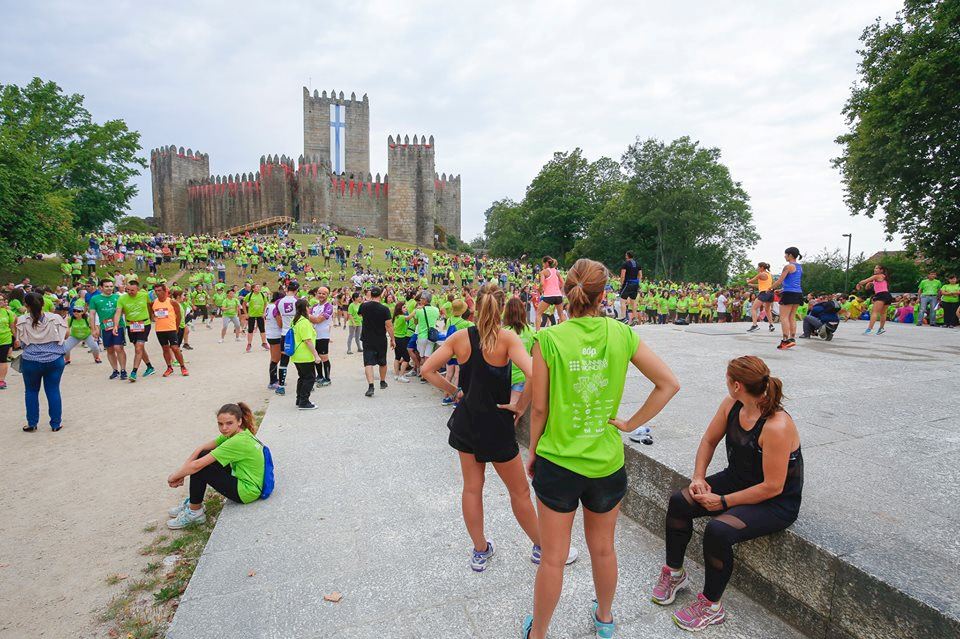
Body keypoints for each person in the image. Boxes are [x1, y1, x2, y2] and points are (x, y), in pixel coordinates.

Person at [522, 260, 679, 639]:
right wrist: (629, 422)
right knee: (604, 549)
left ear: (565, 294)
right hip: (606, 462)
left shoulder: (549, 340)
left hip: (558, 461)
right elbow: (668, 383)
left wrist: (533, 451)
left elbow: (539, 407)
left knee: (554, 559)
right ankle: (605, 619)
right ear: (603, 295)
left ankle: (539, 633)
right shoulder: (621, 334)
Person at [422, 283, 579, 576]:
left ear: (474, 306)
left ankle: (480, 550)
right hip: (497, 423)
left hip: (467, 421)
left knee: (471, 488)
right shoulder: (507, 339)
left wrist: (455, 391)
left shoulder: (459, 337)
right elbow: (535, 372)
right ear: (502, 307)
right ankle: (540, 546)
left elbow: (427, 369)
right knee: (519, 491)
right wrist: (521, 406)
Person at [651, 356, 802, 632]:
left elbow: (773, 487)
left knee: (718, 531)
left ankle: (711, 606)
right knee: (679, 502)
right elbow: (709, 440)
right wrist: (698, 477)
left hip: (776, 502)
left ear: (736, 384)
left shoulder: (777, 425)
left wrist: (722, 502)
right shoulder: (732, 404)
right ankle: (674, 574)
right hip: (738, 480)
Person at [165, 402, 266, 529]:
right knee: (203, 455)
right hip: (245, 480)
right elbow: (201, 449)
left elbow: (196, 466)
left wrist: (173, 477)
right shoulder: (238, 433)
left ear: (239, 421)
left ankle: (195, 513)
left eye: (229, 423)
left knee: (201, 468)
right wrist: (181, 473)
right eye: (220, 424)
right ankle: (193, 503)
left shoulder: (237, 441)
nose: (224, 428)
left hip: (247, 492)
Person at [15, 292, 68, 432]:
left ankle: (32, 423)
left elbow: (20, 342)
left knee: (31, 391)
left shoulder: (21, 320)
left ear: (25, 305)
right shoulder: (55, 318)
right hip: (54, 359)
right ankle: (56, 424)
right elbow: (66, 334)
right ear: (43, 303)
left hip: (31, 360)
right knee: (53, 390)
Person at [111, 279, 156, 382]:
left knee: (139, 347)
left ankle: (134, 372)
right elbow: (118, 312)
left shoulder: (144, 295)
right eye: (128, 290)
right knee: (138, 347)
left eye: (132, 290)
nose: (130, 292)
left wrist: (153, 316)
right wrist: (115, 326)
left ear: (138, 289)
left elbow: (152, 305)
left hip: (144, 324)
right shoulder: (122, 298)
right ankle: (150, 367)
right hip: (130, 325)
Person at [88, 278, 128, 379]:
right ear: (101, 287)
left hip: (119, 326)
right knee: (110, 350)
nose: (109, 288)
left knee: (118, 347)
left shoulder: (118, 297)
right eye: (106, 286)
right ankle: (115, 370)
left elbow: (124, 311)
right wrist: (93, 329)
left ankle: (123, 370)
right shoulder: (95, 299)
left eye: (111, 286)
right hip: (105, 327)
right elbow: (92, 315)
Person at [358, 287, 394, 398]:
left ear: (371, 295)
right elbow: (389, 326)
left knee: (368, 363)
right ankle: (382, 381)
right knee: (382, 361)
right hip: (380, 338)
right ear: (380, 295)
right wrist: (393, 339)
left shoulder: (364, 306)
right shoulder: (384, 309)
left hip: (367, 338)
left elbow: (360, 315)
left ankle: (371, 386)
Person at [289, 298, 321, 409]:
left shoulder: (295, 320)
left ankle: (299, 399)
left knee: (302, 377)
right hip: (305, 354)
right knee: (310, 378)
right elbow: (307, 340)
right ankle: (304, 401)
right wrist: (316, 355)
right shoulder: (305, 322)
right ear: (306, 308)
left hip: (297, 354)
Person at [769, 248, 803, 349]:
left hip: (789, 293)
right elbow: (793, 282)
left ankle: (785, 340)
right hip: (798, 293)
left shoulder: (788, 267)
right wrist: (783, 289)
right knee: (792, 316)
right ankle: (792, 338)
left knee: (783, 317)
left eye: (785, 254)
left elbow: (779, 281)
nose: (784, 256)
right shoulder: (800, 267)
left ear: (790, 255)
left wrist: (770, 288)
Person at [152, 283, 188, 377]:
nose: (157, 293)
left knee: (175, 348)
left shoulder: (172, 302)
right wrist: (154, 318)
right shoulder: (154, 302)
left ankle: (183, 367)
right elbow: (152, 313)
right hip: (159, 330)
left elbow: (179, 316)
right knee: (165, 349)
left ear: (165, 291)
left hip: (171, 329)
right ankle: (169, 367)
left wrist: (176, 327)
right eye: (156, 291)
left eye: (159, 290)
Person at [272, 282, 300, 396]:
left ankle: (281, 386)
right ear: (296, 290)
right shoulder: (298, 301)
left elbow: (276, 315)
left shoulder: (279, 302)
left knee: (284, 360)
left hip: (284, 333)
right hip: (296, 333)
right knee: (300, 359)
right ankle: (304, 382)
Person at [856, 265, 894, 335]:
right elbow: (870, 285)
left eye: (876, 268)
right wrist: (869, 283)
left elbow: (864, 281)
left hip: (881, 295)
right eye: (874, 268)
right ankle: (881, 328)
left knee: (874, 312)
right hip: (888, 295)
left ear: (881, 270)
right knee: (883, 313)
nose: (874, 269)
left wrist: (859, 284)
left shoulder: (877, 276)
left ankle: (869, 330)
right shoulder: (883, 277)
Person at [310, 287, 334, 387]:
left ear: (327, 295)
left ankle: (327, 378)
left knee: (324, 357)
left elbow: (318, 320)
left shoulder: (329, 306)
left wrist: (309, 315)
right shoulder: (314, 306)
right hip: (313, 335)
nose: (321, 295)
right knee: (316, 357)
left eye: (323, 294)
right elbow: (311, 318)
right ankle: (319, 376)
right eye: (319, 293)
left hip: (323, 335)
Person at [535, 257, 566, 331]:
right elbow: (563, 283)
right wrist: (558, 288)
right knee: (561, 315)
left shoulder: (544, 272)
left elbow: (542, 283)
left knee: (538, 313)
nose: (542, 265)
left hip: (549, 295)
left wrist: (539, 289)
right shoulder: (557, 272)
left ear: (546, 263)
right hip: (558, 295)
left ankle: (537, 332)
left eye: (543, 263)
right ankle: (566, 331)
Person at [746, 262, 776, 333]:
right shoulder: (769, 275)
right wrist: (752, 285)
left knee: (753, 308)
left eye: (758, 267)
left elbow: (749, 281)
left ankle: (755, 325)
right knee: (767, 310)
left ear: (762, 267)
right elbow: (760, 285)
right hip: (770, 293)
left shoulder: (761, 274)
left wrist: (748, 280)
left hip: (764, 293)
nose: (757, 268)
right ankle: (771, 325)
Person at [243, 283, 270, 352]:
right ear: (253, 289)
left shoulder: (262, 295)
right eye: (257, 287)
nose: (259, 288)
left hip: (260, 315)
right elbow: (244, 304)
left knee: (262, 330)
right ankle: (249, 344)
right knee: (250, 330)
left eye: (259, 287)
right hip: (251, 315)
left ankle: (264, 343)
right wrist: (246, 313)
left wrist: (264, 312)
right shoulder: (249, 295)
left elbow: (265, 303)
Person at [618, 251, 642, 326]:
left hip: (628, 283)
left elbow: (622, 275)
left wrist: (622, 284)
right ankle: (635, 318)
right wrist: (637, 282)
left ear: (627, 256)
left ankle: (623, 317)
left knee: (622, 300)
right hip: (635, 284)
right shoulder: (638, 264)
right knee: (633, 301)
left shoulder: (625, 264)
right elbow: (640, 275)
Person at [0, 293, 18, 390]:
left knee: (2, 360)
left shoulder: (8, 313)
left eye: (2, 300)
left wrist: (17, 338)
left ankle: (1, 380)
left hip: (5, 339)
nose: (1, 301)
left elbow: (12, 327)